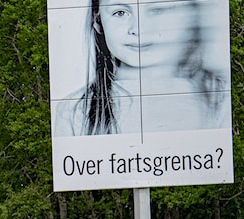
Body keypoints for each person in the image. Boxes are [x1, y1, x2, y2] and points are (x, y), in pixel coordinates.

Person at [55, 0, 228, 136]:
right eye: (120, 12)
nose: (138, 29)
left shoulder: (220, 98)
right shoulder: (73, 111)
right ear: (98, 22)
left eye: (157, 10)